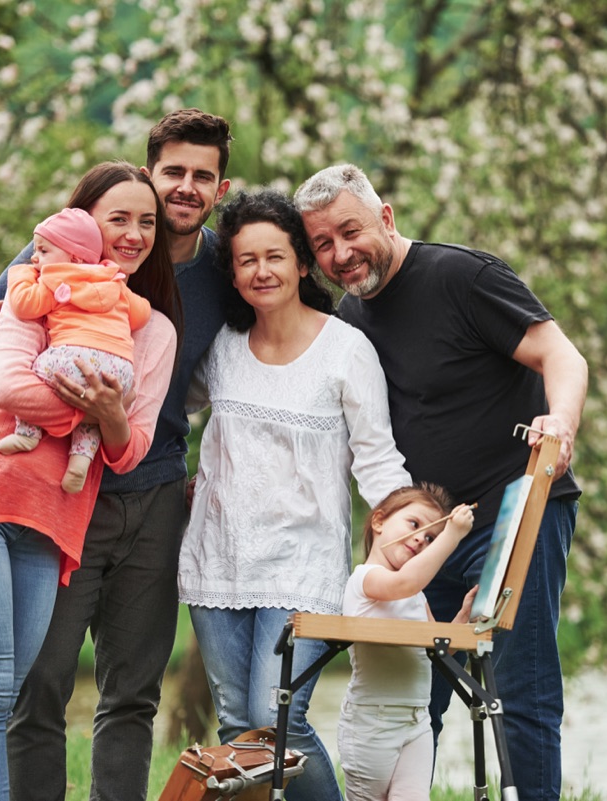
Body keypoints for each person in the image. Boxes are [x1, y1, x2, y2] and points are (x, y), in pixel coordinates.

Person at [0, 109, 233, 801]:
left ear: (219, 188)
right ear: (151, 173)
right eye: (174, 171)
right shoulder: (68, 248)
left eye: (202, 176)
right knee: (40, 684)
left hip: (155, 492)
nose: (186, 187)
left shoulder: (224, 270)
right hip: (61, 490)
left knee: (132, 691)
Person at [295, 164, 590, 801]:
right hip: (423, 536)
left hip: (514, 517)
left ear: (388, 218)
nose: (341, 254)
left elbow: (561, 354)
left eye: (352, 232)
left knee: (520, 694)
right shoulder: (350, 317)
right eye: (323, 244)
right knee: (408, 696)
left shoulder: (462, 276)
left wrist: (560, 425)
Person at [0, 160, 181, 801]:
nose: (135, 233)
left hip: (52, 517)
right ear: (85, 222)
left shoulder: (154, 331)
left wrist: (111, 419)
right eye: (119, 219)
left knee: (8, 687)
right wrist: (91, 411)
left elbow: (130, 448)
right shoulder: (40, 284)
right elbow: (6, 386)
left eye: (148, 221)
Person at [177, 188, 412, 801]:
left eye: (275, 256)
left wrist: (405, 539)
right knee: (238, 733)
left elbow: (377, 457)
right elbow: (168, 404)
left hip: (303, 568)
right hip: (216, 564)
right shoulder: (223, 349)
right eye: (246, 259)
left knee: (278, 724)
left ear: (301, 263)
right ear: (232, 272)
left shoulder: (345, 349)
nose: (262, 271)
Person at [0, 207, 152, 493]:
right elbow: (142, 315)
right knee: (94, 398)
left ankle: (28, 432)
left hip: (71, 358)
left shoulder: (56, 280)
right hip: (119, 371)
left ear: (74, 258)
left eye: (43, 251)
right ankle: (81, 460)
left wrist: (20, 273)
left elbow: (24, 304)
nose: (34, 258)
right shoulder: (114, 282)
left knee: (37, 372)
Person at [339, 483, 478, 801]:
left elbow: (439, 646)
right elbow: (404, 582)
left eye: (430, 537)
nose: (421, 539)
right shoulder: (366, 579)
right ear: (379, 522)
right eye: (414, 524)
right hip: (373, 723)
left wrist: (465, 616)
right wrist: (450, 536)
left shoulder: (416, 594)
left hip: (417, 721)